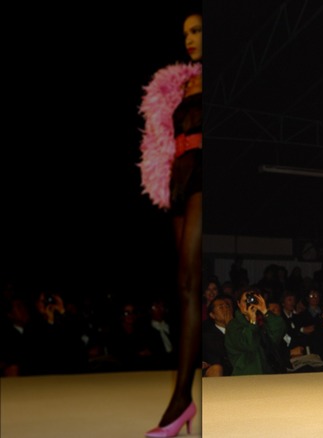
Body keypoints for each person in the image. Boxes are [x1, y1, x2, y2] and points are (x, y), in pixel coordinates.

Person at [137, 6, 203, 437]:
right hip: (180, 176)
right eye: (186, 33)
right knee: (182, 286)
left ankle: (182, 397)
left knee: (191, 282)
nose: (190, 38)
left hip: (204, 171)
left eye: (197, 30)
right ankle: (183, 397)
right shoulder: (180, 83)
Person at [224, 289, 287, 376]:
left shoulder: (262, 322)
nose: (249, 303)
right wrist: (252, 321)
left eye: (252, 300)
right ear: (238, 304)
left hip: (268, 373)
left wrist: (265, 311)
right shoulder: (233, 326)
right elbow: (248, 344)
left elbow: (278, 332)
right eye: (245, 301)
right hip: (246, 375)